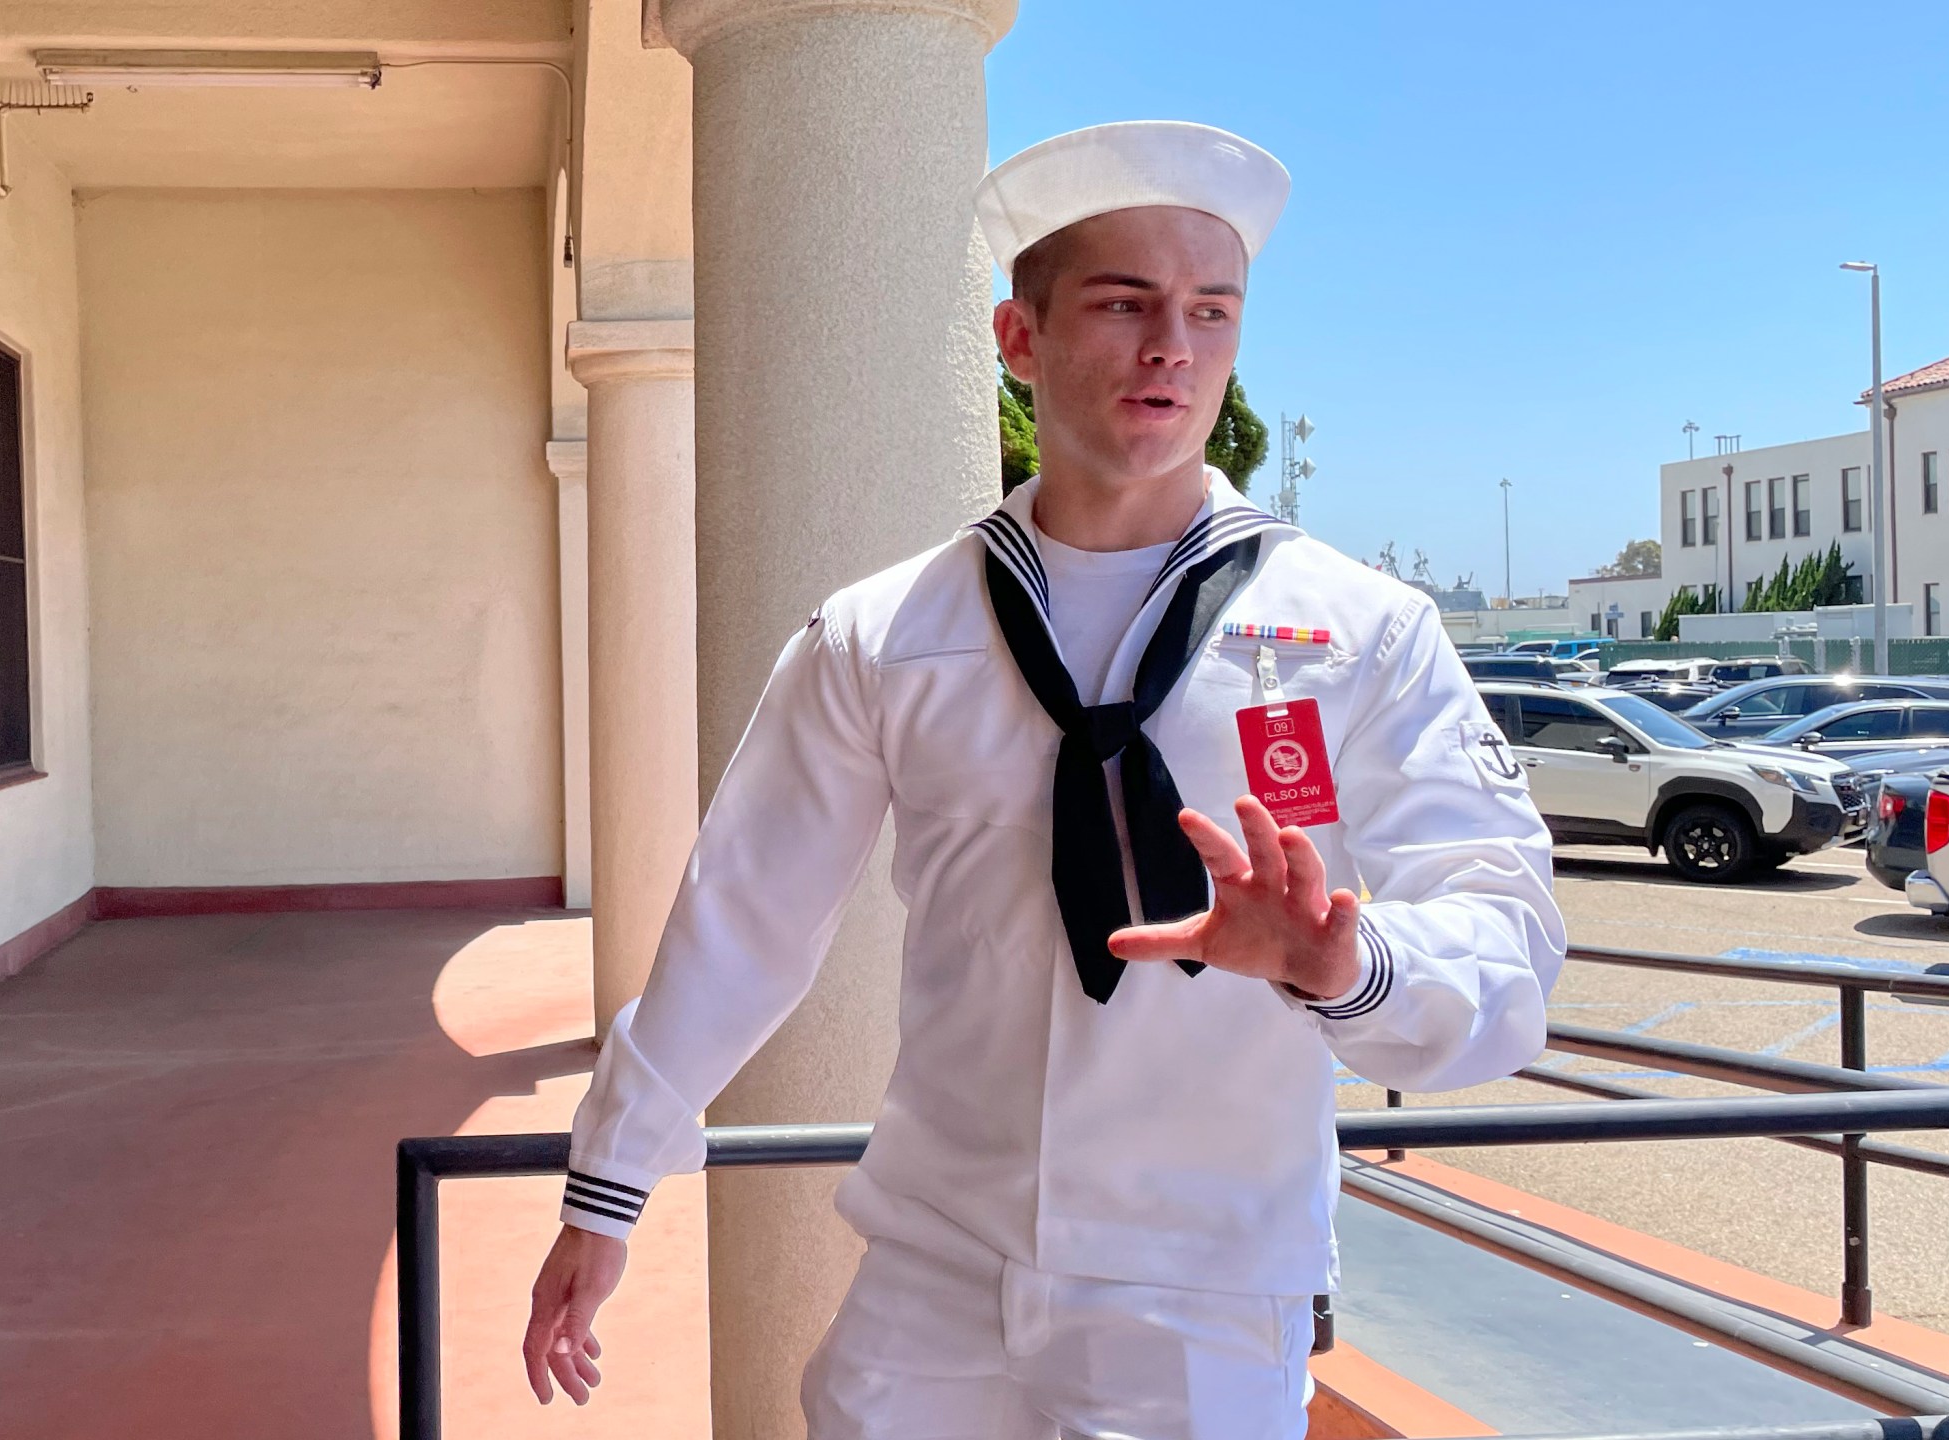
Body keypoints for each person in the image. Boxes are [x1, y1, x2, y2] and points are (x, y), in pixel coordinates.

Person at [520, 120, 1565, 1439]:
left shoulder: (1361, 631)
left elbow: (1510, 941)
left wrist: (1339, 964)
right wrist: (609, 1179)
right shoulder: (884, 634)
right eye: (1125, 305)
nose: (1171, 347)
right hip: (932, 1271)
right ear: (1020, 340)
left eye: (1209, 312)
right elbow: (744, 916)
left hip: (1205, 1289)